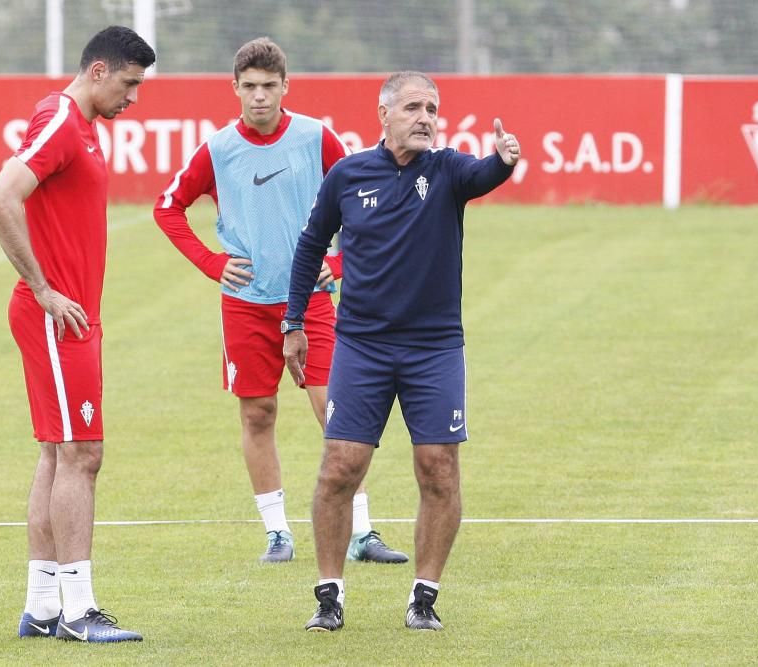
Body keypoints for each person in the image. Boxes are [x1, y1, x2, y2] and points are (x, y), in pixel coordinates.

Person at [153, 37, 407, 565]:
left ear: (286, 87)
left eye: (270, 86)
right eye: (250, 87)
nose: (260, 96)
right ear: (235, 89)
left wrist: (336, 265)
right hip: (246, 303)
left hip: (312, 303)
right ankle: (276, 532)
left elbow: (369, 205)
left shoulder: (317, 138)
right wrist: (213, 262)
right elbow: (168, 207)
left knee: (336, 413)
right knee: (258, 413)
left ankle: (361, 532)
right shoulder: (218, 148)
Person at [283, 71, 521, 632]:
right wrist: (294, 321)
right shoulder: (348, 174)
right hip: (362, 347)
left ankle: (424, 596)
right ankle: (329, 595)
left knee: (438, 468)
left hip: (433, 349)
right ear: (383, 113)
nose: (425, 117)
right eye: (413, 106)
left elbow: (485, 173)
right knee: (340, 467)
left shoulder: (448, 169)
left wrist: (504, 160)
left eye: (432, 108)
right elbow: (311, 244)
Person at [0, 26, 155, 643]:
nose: (134, 98)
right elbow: (1, 198)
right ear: (101, 70)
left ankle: (43, 606)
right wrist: (46, 289)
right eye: (131, 84)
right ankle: (79, 611)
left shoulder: (80, 126)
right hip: (59, 317)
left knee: (58, 453)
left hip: (71, 316)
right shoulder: (60, 119)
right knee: (82, 454)